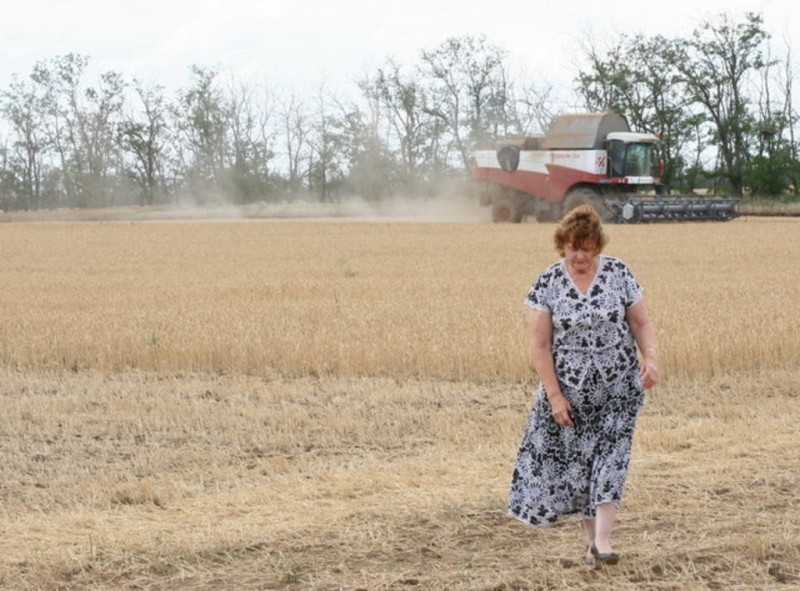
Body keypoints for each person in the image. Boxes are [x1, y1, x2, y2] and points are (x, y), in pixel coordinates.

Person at [507, 204, 658, 567]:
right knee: (581, 468)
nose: (580, 255)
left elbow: (640, 322)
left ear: (597, 246)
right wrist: (555, 397)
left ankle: (604, 541)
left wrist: (650, 357)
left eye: (587, 246)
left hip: (619, 387)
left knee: (612, 460)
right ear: (563, 246)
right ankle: (592, 543)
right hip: (570, 396)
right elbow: (540, 346)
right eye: (573, 247)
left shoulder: (619, 272)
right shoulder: (548, 282)